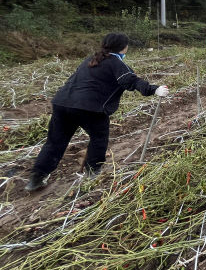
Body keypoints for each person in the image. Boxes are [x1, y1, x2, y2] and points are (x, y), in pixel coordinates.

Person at [25, 33, 169, 191]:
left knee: (55, 142)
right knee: (99, 139)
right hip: (90, 108)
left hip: (62, 103)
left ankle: (37, 177)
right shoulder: (116, 63)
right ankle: (92, 173)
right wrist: (155, 90)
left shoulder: (90, 60)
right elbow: (130, 81)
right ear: (123, 48)